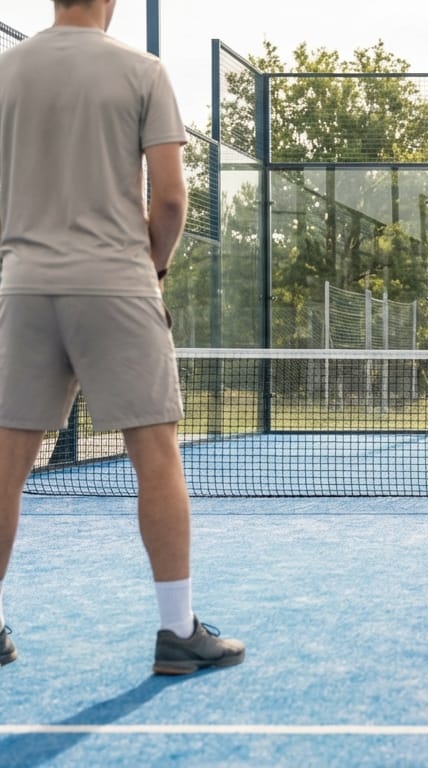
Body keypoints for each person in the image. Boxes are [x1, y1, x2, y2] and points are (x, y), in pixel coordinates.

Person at [0, 0, 244, 674]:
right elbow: (169, 200)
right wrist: (154, 267)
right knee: (155, 453)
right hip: (116, 283)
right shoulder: (143, 71)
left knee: (6, 461)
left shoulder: (6, 72)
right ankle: (177, 633)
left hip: (21, 286)